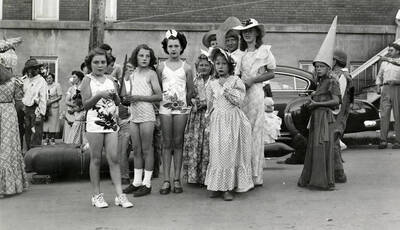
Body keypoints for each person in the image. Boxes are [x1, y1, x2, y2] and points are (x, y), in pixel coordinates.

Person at [80, 48, 133, 208]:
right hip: (94, 123)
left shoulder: (111, 80)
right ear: (90, 64)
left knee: (114, 159)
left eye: (103, 62)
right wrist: (99, 95)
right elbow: (85, 104)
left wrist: (116, 97)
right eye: (96, 62)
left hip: (111, 123)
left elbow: (117, 102)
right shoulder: (87, 80)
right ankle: (96, 195)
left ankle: (120, 195)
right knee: (95, 159)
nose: (100, 65)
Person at [204, 47, 254, 201]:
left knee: (229, 153)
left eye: (223, 63)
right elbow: (210, 104)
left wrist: (227, 90)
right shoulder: (211, 84)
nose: (220, 66)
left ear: (230, 65)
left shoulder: (235, 81)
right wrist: (208, 120)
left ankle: (228, 187)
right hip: (218, 120)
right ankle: (216, 185)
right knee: (217, 153)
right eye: (217, 63)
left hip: (232, 121)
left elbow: (239, 100)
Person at [298, 16, 341, 190]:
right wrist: (313, 99)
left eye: (321, 66)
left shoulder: (333, 81)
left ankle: (323, 180)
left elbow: (336, 101)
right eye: (316, 67)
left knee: (322, 146)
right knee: (314, 147)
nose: (318, 69)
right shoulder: (320, 82)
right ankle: (312, 178)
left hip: (324, 117)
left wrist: (318, 104)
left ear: (328, 68)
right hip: (316, 117)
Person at [233, 18, 276, 186]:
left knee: (255, 133)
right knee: (242, 132)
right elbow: (236, 75)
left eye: (250, 31)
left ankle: (255, 175)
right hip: (243, 94)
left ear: (257, 33)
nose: (247, 34)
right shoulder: (241, 55)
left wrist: (254, 79)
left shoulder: (264, 51)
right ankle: (242, 174)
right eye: (245, 32)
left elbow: (271, 72)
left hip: (256, 93)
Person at [121, 44, 162, 197]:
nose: (144, 58)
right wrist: (127, 92)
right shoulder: (132, 73)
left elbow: (159, 96)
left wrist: (140, 98)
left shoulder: (151, 74)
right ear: (135, 57)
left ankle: (147, 183)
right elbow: (127, 94)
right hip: (134, 114)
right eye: (141, 56)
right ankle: (137, 182)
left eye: (147, 56)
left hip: (147, 114)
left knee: (147, 149)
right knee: (136, 149)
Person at [157, 30, 194, 194]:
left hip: (181, 109)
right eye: (170, 46)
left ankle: (177, 179)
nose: (173, 49)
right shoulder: (160, 67)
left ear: (181, 48)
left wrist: (182, 105)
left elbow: (190, 90)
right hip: (165, 108)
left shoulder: (187, 68)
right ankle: (166, 180)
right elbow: (158, 89)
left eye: (176, 46)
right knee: (166, 143)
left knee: (178, 143)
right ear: (166, 47)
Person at [0, 46, 28, 196]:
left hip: (6, 113)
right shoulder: (14, 81)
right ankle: (7, 186)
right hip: (8, 115)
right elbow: (19, 102)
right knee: (8, 148)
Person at [183, 54, 213, 185]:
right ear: (197, 67)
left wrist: (206, 103)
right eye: (201, 65)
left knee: (207, 145)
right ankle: (195, 176)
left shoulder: (214, 81)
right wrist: (195, 101)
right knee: (196, 144)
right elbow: (188, 97)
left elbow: (217, 98)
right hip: (196, 117)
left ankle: (208, 177)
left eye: (206, 65)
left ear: (211, 67)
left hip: (210, 117)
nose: (204, 67)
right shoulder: (195, 80)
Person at [331, 50, 354, 183]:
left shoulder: (341, 77)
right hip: (340, 112)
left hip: (337, 113)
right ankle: (336, 170)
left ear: (335, 61)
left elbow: (339, 98)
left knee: (333, 140)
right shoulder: (340, 75)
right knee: (334, 142)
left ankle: (339, 173)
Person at [376, 42, 400, 149]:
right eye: (388, 50)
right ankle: (383, 140)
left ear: (398, 51)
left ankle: (398, 141)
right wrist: (378, 86)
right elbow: (379, 75)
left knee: (398, 115)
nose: (389, 52)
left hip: (397, 88)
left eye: (391, 50)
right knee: (384, 115)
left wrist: (396, 81)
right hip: (385, 88)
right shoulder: (384, 63)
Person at [22, 58, 48, 150]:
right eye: (30, 68)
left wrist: (40, 114)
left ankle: (35, 156)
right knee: (27, 134)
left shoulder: (41, 81)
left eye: (35, 68)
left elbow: (43, 99)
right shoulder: (24, 80)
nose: (33, 70)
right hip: (25, 110)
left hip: (36, 111)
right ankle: (28, 155)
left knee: (36, 134)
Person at [117, 61, 134, 185]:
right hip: (121, 118)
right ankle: (123, 174)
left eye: (132, 68)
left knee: (128, 147)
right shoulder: (118, 82)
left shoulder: (137, 81)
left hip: (134, 116)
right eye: (127, 68)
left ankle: (126, 175)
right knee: (122, 148)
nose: (129, 70)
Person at [65, 71, 86, 145]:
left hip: (82, 112)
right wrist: (75, 107)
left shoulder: (84, 88)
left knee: (80, 125)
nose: (72, 78)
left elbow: (86, 101)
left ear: (79, 78)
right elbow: (66, 101)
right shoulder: (71, 88)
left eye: (74, 77)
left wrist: (79, 107)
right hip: (75, 111)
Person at [43, 73, 62, 145]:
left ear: (53, 78)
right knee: (46, 121)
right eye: (47, 78)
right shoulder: (44, 86)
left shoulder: (57, 85)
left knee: (53, 122)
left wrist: (51, 102)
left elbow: (60, 96)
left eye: (50, 78)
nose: (48, 79)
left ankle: (52, 138)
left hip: (54, 106)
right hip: (46, 106)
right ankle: (46, 138)